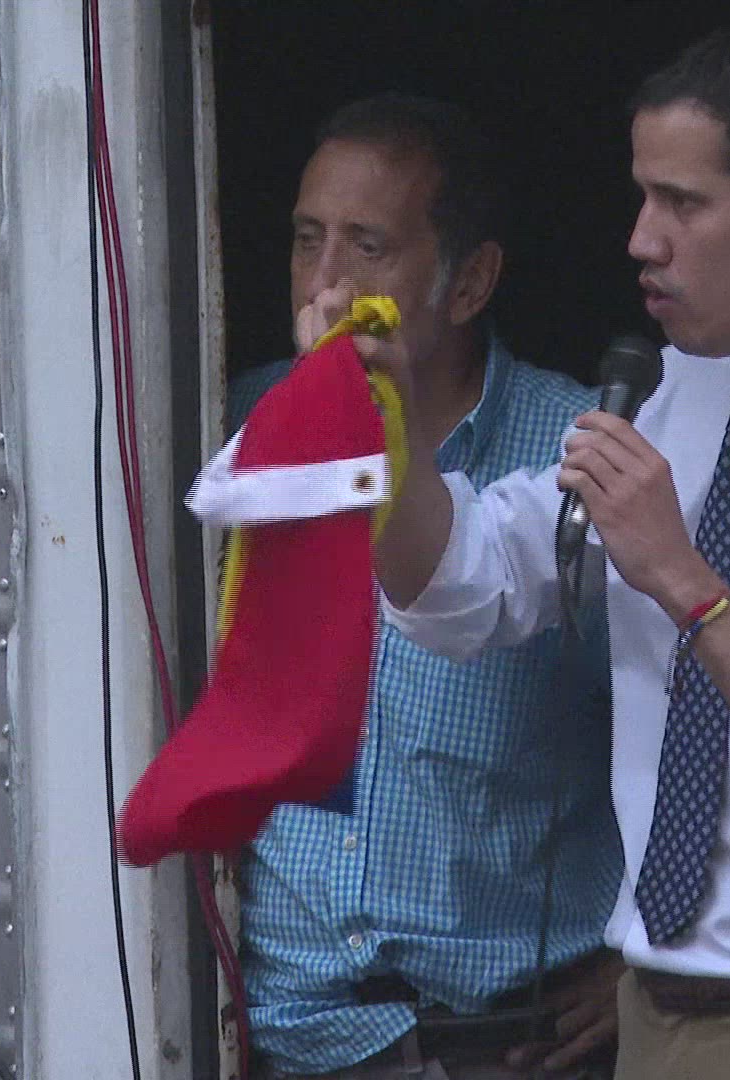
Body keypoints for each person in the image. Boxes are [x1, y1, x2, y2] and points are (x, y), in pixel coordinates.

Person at [308, 27, 730, 1080]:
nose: (640, 239)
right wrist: (381, 426)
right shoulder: (680, 387)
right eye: (641, 197)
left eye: (683, 202)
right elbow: (463, 587)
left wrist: (685, 583)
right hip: (654, 1016)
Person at [230, 93, 624, 1080]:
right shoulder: (234, 421)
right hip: (287, 1035)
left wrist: (655, 958)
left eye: (368, 247)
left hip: (505, 1042)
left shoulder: (580, 455)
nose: (326, 282)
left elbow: (701, 721)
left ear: (470, 280)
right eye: (307, 240)